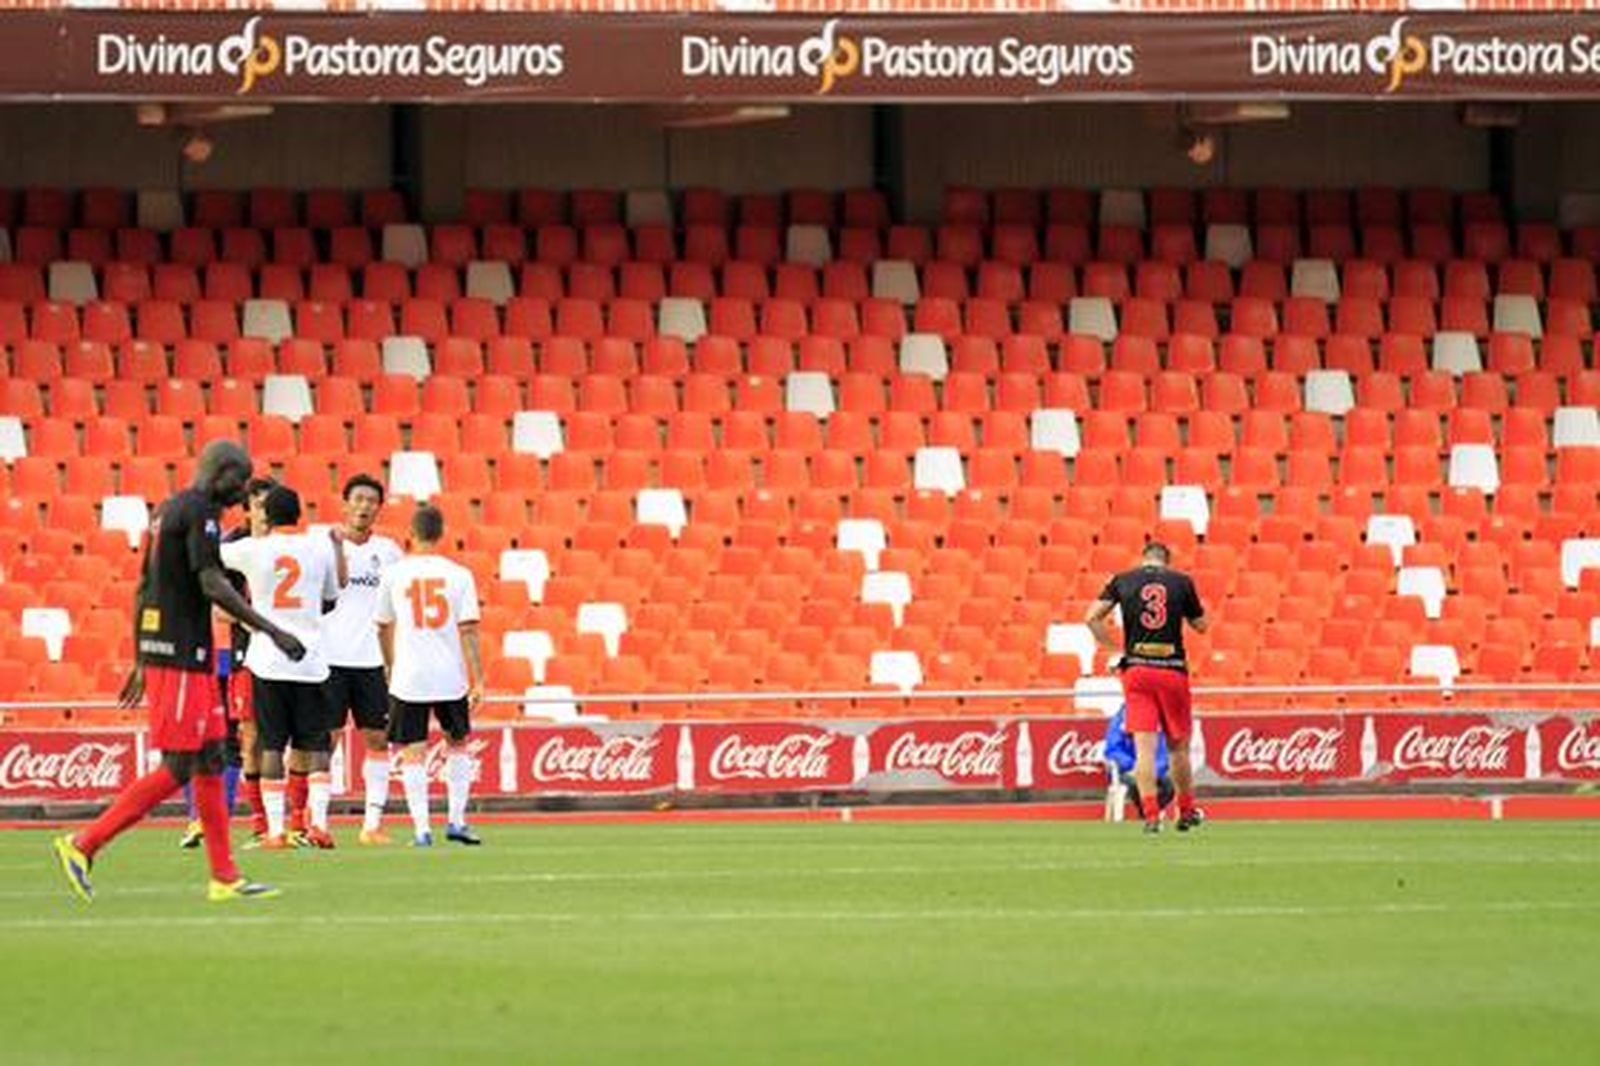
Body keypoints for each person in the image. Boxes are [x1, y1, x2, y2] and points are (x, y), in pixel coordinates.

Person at [53, 441, 304, 903]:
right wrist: (271, 629)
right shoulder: (200, 512)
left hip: (181, 653)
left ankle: (224, 876)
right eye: (240, 481)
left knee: (209, 757)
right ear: (222, 473)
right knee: (179, 764)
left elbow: (144, 585)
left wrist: (139, 656)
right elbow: (211, 582)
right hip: (180, 654)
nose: (242, 493)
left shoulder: (170, 509)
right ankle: (84, 843)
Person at [220, 485, 343, 849]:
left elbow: (209, 555)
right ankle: (318, 825)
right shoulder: (319, 548)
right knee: (315, 745)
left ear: (267, 517)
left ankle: (274, 832)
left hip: (268, 660)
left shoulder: (253, 549)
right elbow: (331, 598)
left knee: (272, 745)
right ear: (298, 516)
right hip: (312, 660)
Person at [375, 503, 484, 847]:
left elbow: (382, 626)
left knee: (413, 750)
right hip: (449, 673)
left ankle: (422, 829)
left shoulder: (394, 574)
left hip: (409, 675)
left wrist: (389, 665)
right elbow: (468, 630)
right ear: (441, 535)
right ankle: (457, 821)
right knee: (457, 744)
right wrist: (478, 678)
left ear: (411, 533)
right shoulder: (459, 574)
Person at [180, 476, 276, 850]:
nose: (265, 514)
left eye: (270, 506)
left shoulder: (285, 547)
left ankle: (265, 821)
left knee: (263, 739)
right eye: (258, 506)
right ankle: (198, 821)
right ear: (247, 509)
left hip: (276, 655)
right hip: (230, 653)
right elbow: (218, 606)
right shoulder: (232, 547)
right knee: (222, 738)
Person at [1085, 542, 1208, 835]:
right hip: (1171, 668)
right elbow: (1201, 625)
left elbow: (1091, 617)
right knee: (1178, 747)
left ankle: (1151, 816)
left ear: (1143, 560)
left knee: (1144, 748)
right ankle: (1187, 810)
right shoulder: (1181, 581)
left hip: (1137, 669)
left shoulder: (1122, 579)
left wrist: (1116, 648)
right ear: (1167, 560)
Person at [321, 474, 405, 846]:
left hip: (372, 660)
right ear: (345, 503)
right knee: (325, 740)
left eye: (372, 501)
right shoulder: (321, 545)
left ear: (378, 508)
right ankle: (317, 822)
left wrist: (395, 658)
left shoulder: (389, 552)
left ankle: (371, 824)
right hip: (329, 658)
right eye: (358, 498)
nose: (364, 506)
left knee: (377, 739)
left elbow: (398, 610)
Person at [1103, 704, 1174, 818]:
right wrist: (1133, 766)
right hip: (1125, 771)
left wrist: (1152, 770)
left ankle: (1148, 814)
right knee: (1135, 784)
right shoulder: (1118, 721)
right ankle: (1148, 814)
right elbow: (1112, 750)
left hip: (1153, 770)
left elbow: (1164, 754)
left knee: (1169, 785)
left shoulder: (1157, 722)